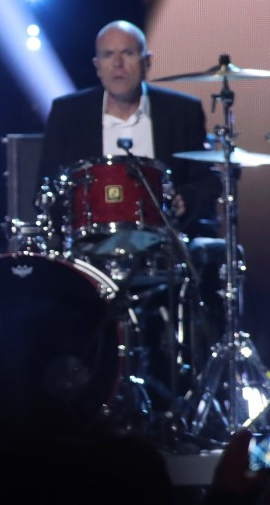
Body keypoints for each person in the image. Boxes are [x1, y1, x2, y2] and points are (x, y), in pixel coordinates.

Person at [36, 20, 222, 416]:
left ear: (146, 62)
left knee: (218, 262)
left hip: (165, 245)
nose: (118, 64)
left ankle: (192, 400)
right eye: (108, 55)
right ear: (96, 65)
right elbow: (46, 187)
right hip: (89, 250)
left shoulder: (181, 112)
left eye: (128, 54)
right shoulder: (69, 113)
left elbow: (208, 179)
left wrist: (187, 199)